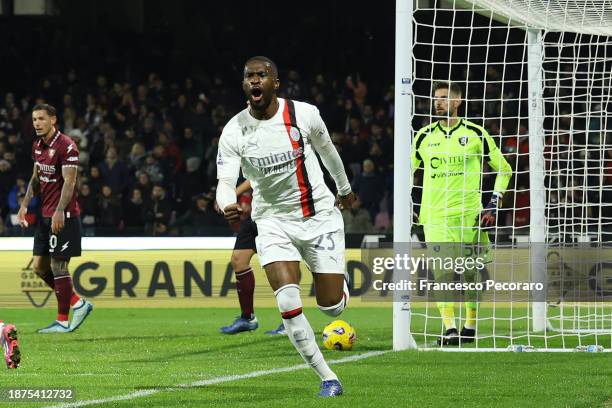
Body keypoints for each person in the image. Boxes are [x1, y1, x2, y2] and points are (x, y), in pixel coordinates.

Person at [216, 56, 355, 397]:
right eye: (249, 76)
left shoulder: (303, 115)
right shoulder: (234, 129)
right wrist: (226, 204)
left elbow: (328, 151)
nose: (254, 81)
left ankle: (337, 284)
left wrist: (345, 188)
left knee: (331, 306)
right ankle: (327, 377)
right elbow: (224, 180)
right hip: (273, 220)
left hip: (319, 216)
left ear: (275, 82)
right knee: (288, 302)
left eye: (261, 75)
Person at [411, 81, 512, 346]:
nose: (438, 102)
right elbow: (406, 173)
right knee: (442, 272)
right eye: (436, 98)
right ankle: (449, 328)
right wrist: (410, 202)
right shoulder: (423, 136)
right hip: (435, 216)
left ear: (457, 102)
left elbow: (505, 169)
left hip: (470, 216)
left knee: (471, 274)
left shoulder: (476, 134)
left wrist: (493, 202)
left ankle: (470, 326)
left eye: (444, 98)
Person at [18, 104, 94, 333]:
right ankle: (78, 303)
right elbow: (36, 177)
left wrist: (60, 210)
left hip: (64, 215)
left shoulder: (66, 146)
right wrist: (24, 204)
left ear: (53, 120)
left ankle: (62, 320)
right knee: (39, 267)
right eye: (34, 119)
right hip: (44, 214)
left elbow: (70, 182)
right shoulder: (38, 146)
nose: (37, 123)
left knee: (58, 265)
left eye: (41, 119)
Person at [219, 180, 286, 335]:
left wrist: (231, 195)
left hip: (276, 215)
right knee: (238, 260)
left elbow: (254, 177)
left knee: (280, 264)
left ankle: (290, 322)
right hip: (257, 214)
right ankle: (247, 318)